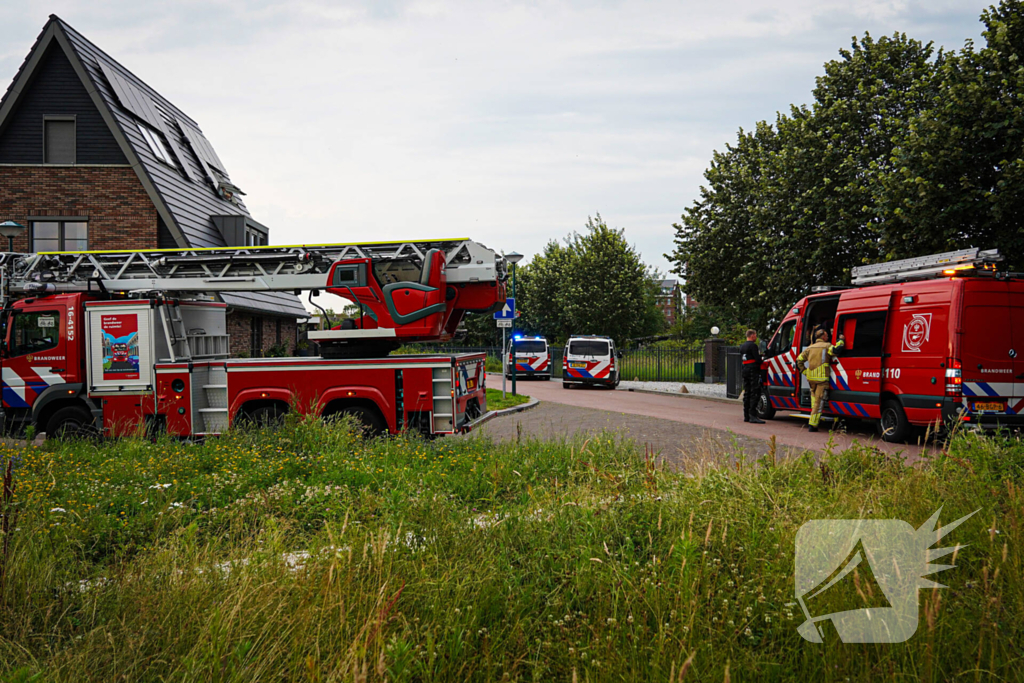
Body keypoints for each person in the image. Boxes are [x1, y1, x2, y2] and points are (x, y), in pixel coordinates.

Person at [796, 328, 845, 432]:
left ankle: (813, 422)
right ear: (823, 337)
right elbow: (837, 350)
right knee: (818, 403)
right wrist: (841, 340)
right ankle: (812, 425)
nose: (828, 337)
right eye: (827, 336)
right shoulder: (827, 346)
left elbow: (798, 361)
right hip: (822, 379)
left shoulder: (810, 348)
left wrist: (805, 372)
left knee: (814, 401)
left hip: (811, 379)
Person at [739, 329, 765, 424]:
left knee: (747, 392)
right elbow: (757, 359)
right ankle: (753, 415)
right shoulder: (753, 346)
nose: (756, 337)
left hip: (745, 369)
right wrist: (762, 360)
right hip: (752, 370)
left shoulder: (742, 346)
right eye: (755, 335)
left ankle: (746, 415)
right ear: (752, 335)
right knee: (755, 392)